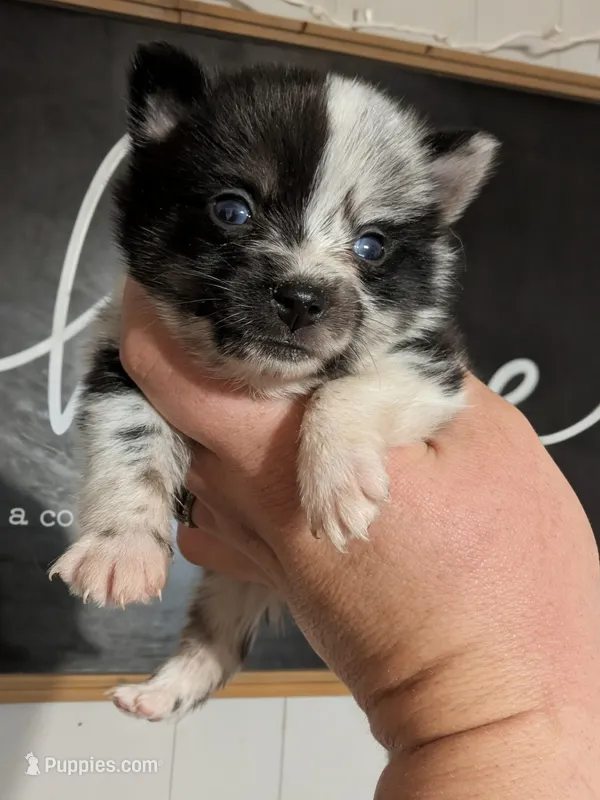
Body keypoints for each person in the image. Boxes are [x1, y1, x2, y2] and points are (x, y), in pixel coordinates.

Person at [120, 279, 600, 799]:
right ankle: (195, 670)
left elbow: (426, 386)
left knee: (233, 574)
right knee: (230, 581)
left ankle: (199, 669)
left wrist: (485, 713)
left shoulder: (397, 340)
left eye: (368, 248)